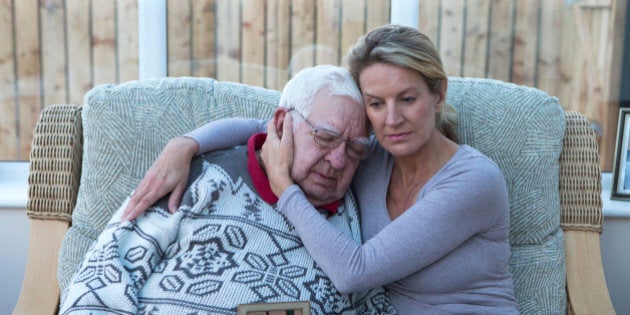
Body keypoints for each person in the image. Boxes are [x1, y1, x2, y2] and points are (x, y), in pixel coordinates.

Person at [123, 25, 519, 314]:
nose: (392, 118)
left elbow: (354, 272)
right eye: (376, 104)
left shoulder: (474, 182)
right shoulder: (369, 153)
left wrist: (284, 187)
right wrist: (186, 145)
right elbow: (270, 127)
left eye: (407, 98)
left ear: (438, 95)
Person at [59, 65, 396, 314]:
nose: (338, 161)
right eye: (325, 137)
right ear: (282, 123)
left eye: (354, 150)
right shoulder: (200, 177)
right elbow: (97, 285)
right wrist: (188, 143)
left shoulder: (354, 219)